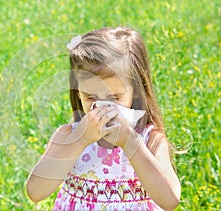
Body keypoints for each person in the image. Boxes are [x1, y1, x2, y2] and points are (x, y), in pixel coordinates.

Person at [26, 26, 181, 210]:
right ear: (78, 93)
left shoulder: (149, 139)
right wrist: (81, 140)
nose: (102, 107)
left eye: (115, 98)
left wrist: (129, 142)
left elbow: (170, 200)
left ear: (136, 91)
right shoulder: (68, 135)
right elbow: (35, 192)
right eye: (90, 97)